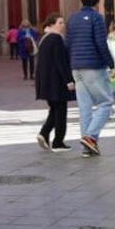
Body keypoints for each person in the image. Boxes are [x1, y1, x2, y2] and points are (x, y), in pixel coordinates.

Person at [66, 0, 115, 157]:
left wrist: (70, 67)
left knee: (84, 107)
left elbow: (68, 43)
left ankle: (87, 147)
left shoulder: (72, 19)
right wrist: (111, 63)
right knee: (106, 103)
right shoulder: (97, 18)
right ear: (97, 3)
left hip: (76, 67)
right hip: (93, 66)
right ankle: (90, 137)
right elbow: (101, 42)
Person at [34, 13, 75, 152]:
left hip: (46, 81)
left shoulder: (44, 39)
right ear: (51, 25)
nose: (63, 25)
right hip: (57, 82)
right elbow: (60, 62)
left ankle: (44, 134)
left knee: (54, 110)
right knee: (61, 111)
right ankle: (58, 141)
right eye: (60, 23)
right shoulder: (56, 39)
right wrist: (68, 80)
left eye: (63, 23)